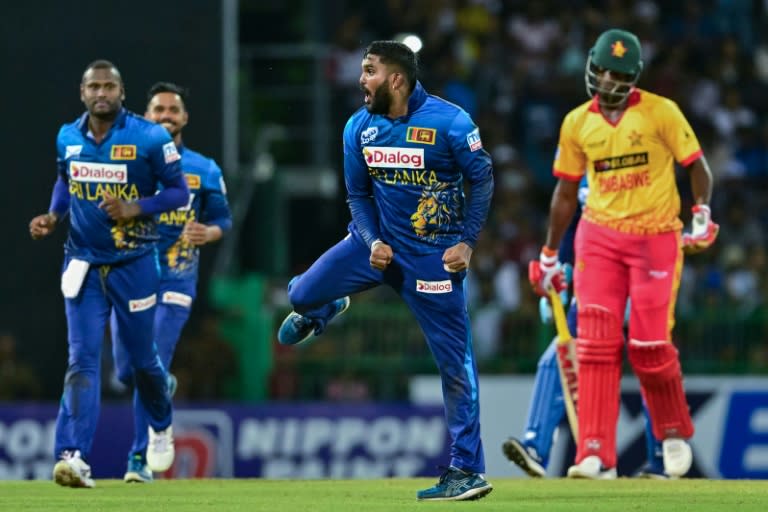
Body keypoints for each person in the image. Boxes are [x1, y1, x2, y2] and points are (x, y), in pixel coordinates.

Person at [277, 41, 494, 501]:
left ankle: (467, 470)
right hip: (371, 245)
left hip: (431, 256)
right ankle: (329, 305)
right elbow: (356, 196)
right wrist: (373, 240)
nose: (361, 80)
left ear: (396, 79)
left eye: (369, 71)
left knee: (455, 364)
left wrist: (467, 242)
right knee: (299, 297)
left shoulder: (451, 123)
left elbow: (483, 177)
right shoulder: (359, 127)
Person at [528, 29, 718, 479]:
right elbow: (565, 191)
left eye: (619, 75)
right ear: (589, 66)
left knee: (649, 343)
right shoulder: (577, 122)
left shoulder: (660, 112)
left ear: (634, 78)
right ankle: (593, 453)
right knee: (594, 344)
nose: (608, 82)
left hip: (655, 236)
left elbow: (698, 167)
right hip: (598, 237)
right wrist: (552, 252)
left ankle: (673, 432)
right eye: (602, 71)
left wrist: (702, 212)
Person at [29, 60, 188, 488]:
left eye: (109, 86)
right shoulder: (67, 136)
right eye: (93, 86)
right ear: (82, 93)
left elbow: (179, 192)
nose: (101, 93)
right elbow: (65, 179)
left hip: (135, 264)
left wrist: (136, 207)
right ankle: (73, 455)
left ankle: (161, 421)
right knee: (81, 360)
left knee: (140, 361)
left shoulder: (150, 137)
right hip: (82, 263)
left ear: (121, 92)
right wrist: (53, 214)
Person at [504, 180, 667, 479]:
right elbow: (574, 218)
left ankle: (662, 458)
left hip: (642, 273)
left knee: (650, 363)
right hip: (596, 279)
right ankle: (536, 447)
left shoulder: (638, 155)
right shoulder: (581, 156)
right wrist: (561, 268)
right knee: (558, 354)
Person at [111, 82, 232, 483]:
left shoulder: (204, 168)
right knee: (127, 371)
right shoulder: (128, 164)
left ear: (184, 118)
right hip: (130, 277)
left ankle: (138, 460)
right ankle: (162, 383)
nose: (165, 116)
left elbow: (223, 220)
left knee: (149, 364)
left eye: (172, 110)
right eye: (158, 110)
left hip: (178, 278)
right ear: (147, 117)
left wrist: (208, 234)